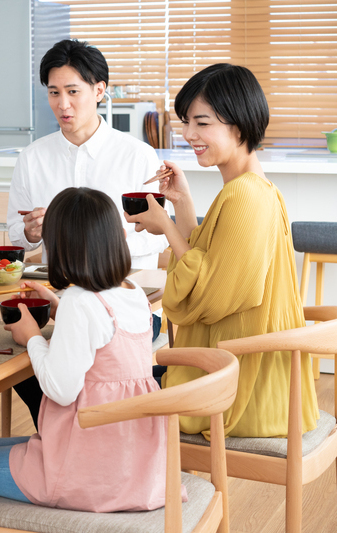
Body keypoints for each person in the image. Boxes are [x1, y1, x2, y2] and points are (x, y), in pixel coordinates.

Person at [0, 187, 171, 533]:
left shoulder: (80, 302)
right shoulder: (130, 294)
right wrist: (60, 309)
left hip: (89, 471)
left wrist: (32, 339)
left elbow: (60, 390)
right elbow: (104, 341)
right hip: (133, 461)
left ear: (60, 246)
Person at [126, 63, 318, 438]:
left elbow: (210, 293)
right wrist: (180, 203)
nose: (188, 134)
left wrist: (165, 226)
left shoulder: (244, 195)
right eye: (186, 122)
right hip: (243, 361)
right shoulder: (250, 187)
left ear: (240, 124)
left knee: (114, 386)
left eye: (202, 123)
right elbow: (208, 258)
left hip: (240, 381)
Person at [6, 39, 169, 427]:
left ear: (99, 90)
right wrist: (30, 232)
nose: (63, 105)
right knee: (11, 351)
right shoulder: (33, 158)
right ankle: (61, 443)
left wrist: (106, 237)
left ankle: (74, 447)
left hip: (129, 304)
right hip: (62, 300)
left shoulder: (137, 156)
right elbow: (15, 235)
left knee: (47, 362)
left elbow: (160, 236)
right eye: (54, 93)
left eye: (73, 92)